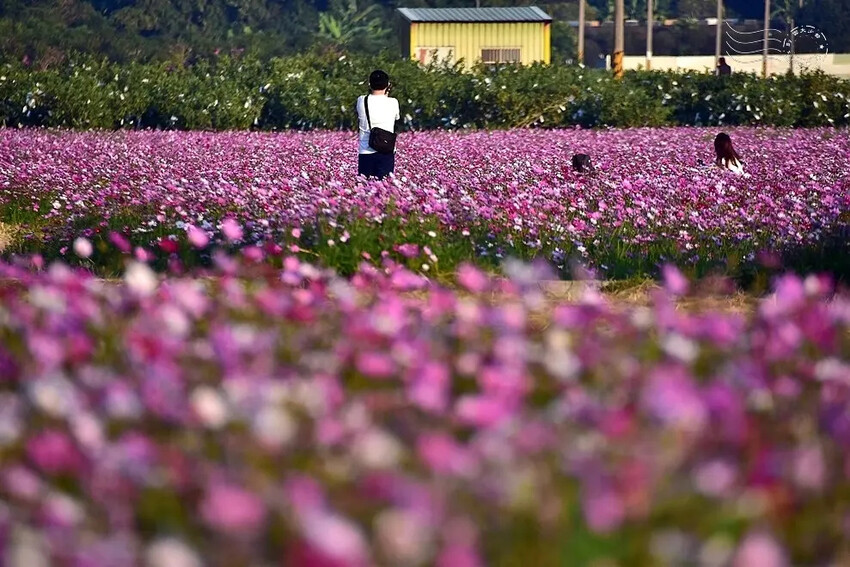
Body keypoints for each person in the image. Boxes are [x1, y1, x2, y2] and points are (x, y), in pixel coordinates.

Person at [355, 70, 400, 180]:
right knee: (384, 187)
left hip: (365, 151)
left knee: (364, 187)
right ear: (388, 85)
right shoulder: (393, 102)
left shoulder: (361, 100)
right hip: (386, 151)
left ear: (369, 84)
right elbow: (397, 117)